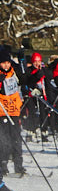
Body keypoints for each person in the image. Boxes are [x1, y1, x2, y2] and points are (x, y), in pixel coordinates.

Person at [0, 49, 26, 177]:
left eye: (7, 62)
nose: (6, 65)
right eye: (3, 63)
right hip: (2, 112)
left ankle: (18, 165)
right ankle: (3, 166)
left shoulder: (13, 73)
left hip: (14, 111)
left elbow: (24, 79)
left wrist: (23, 61)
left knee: (16, 139)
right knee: (4, 140)